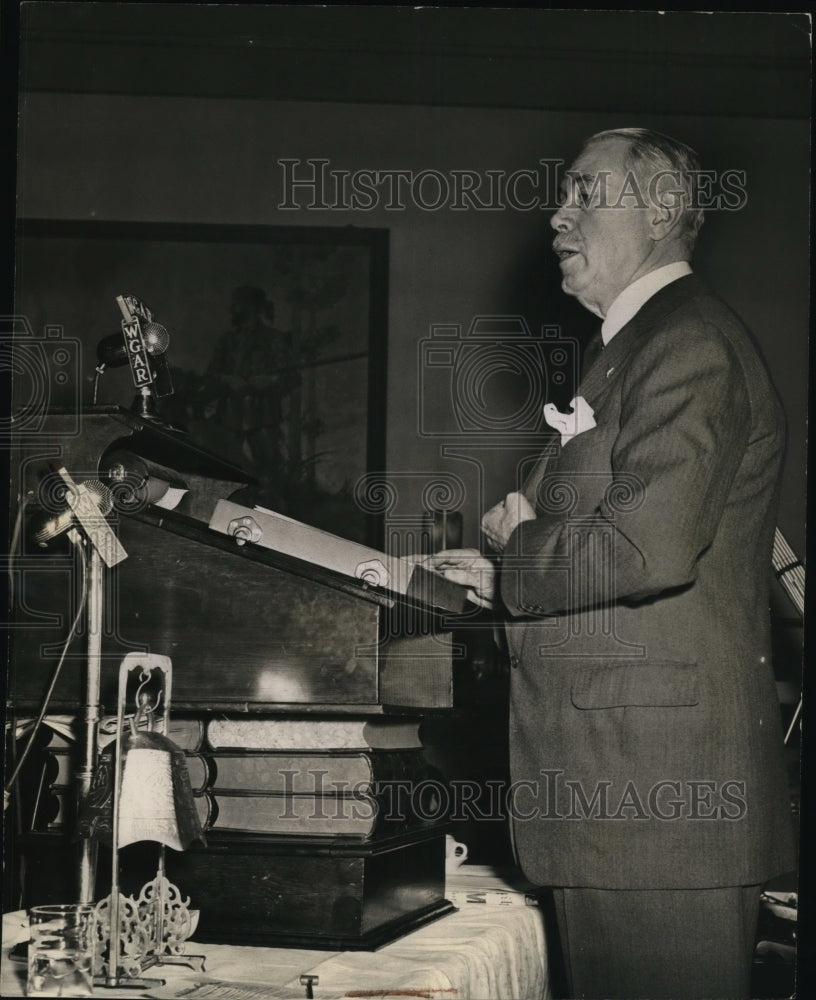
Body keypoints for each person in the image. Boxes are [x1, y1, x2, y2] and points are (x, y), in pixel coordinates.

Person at [428, 128, 795, 999]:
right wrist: (502, 574)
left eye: (584, 193)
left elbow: (646, 546)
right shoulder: (632, 350)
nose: (557, 215)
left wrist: (518, 556)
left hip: (655, 809)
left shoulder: (689, 344)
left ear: (663, 211)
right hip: (617, 800)